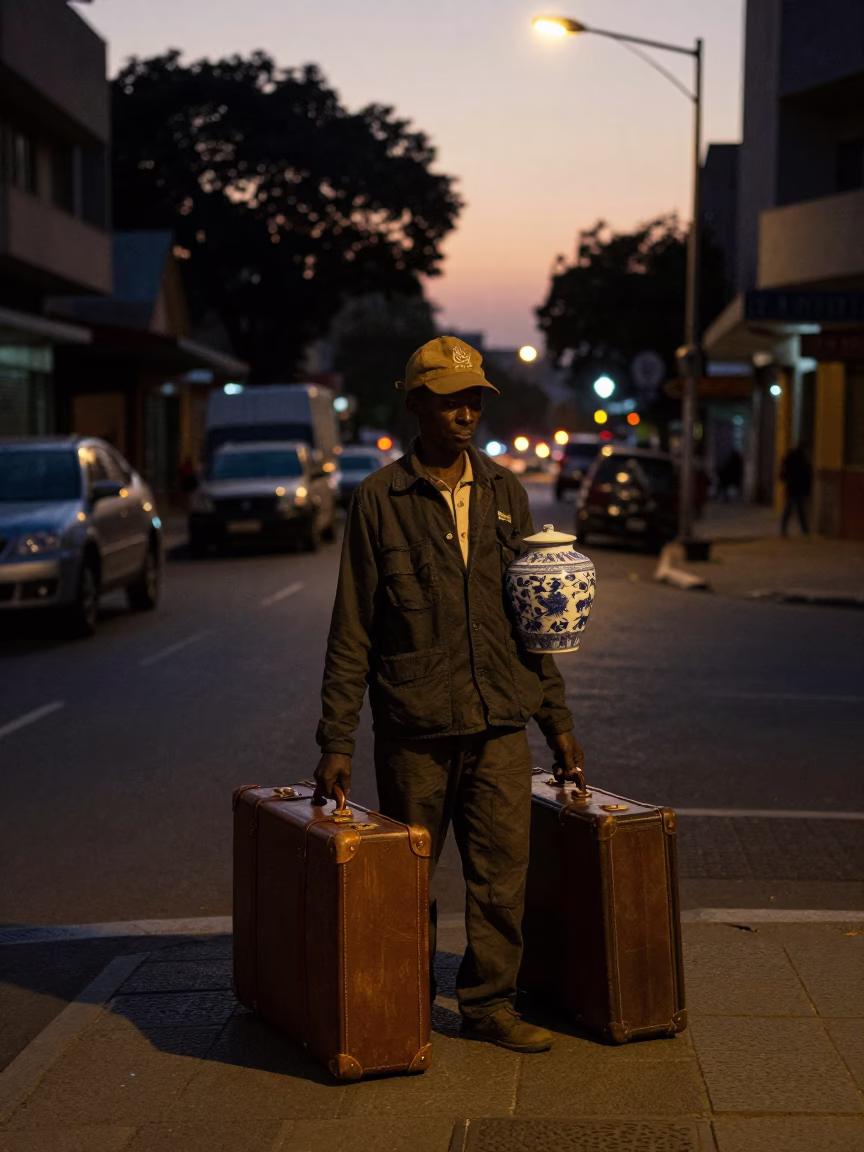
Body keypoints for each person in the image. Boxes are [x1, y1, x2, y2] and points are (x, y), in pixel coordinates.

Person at [314, 335, 583, 1054]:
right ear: (416, 405)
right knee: (406, 883)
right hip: (416, 728)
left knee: (501, 879)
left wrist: (557, 724)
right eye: (449, 399)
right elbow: (353, 628)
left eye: (474, 399)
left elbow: (535, 621)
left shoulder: (507, 495)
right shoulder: (380, 499)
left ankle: (489, 1005)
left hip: (500, 722)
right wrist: (336, 740)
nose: (465, 413)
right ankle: (397, 1005)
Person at [780, 443, 811, 536]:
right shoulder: (803, 460)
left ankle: (784, 528)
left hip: (791, 487)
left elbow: (783, 472)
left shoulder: (789, 458)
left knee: (789, 509)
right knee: (800, 509)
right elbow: (807, 476)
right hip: (799, 488)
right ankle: (804, 529)